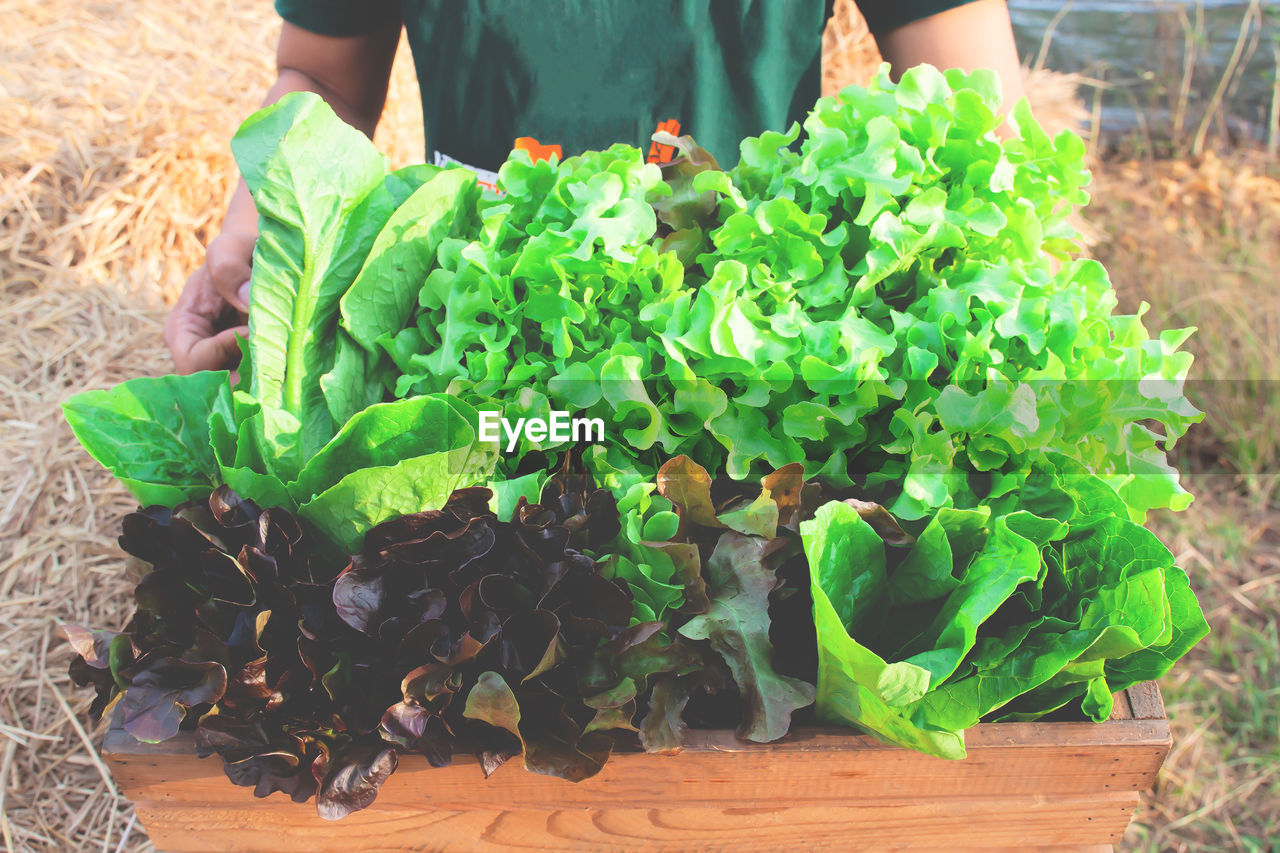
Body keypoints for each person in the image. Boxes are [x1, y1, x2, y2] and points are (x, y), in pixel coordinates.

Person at [165, 0, 1026, 374]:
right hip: (477, 342)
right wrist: (261, 237)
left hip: (753, 343)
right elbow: (322, 80)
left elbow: (978, 130)